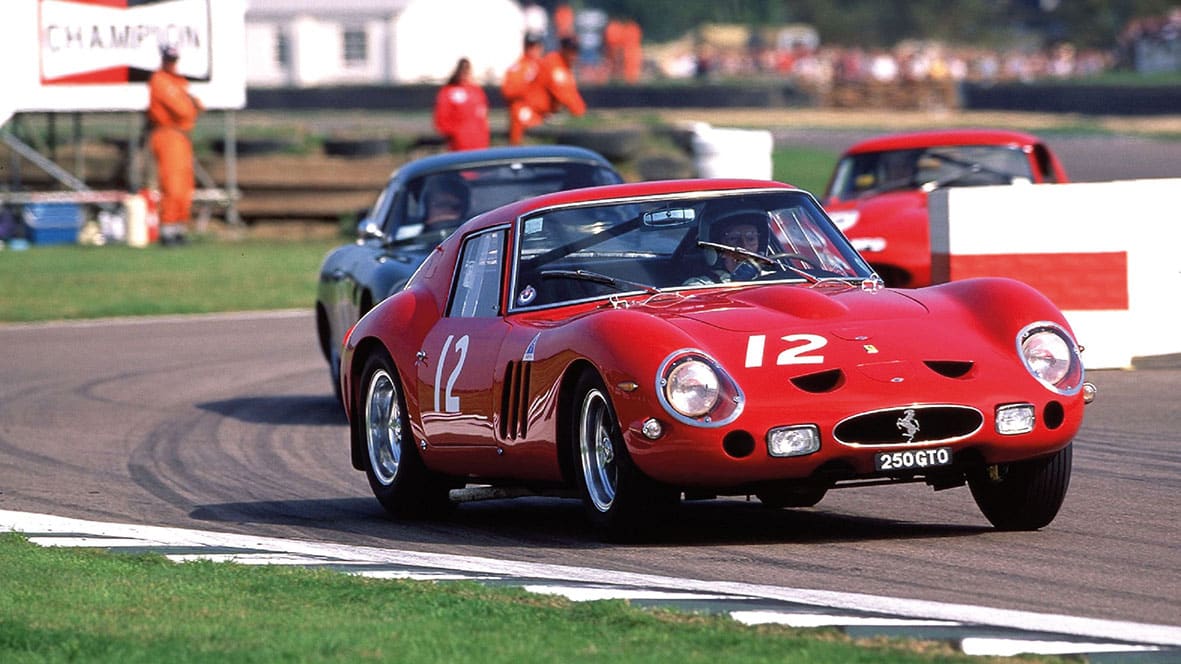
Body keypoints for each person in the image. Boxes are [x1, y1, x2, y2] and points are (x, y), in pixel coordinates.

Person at [147, 44, 203, 246]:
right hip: (167, 135)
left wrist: (192, 106)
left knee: (185, 185)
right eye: (169, 60)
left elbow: (195, 105)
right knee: (172, 185)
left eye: (174, 60)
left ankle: (178, 229)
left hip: (181, 137)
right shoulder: (160, 80)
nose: (171, 64)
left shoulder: (177, 81)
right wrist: (191, 106)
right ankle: (167, 231)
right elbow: (183, 110)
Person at [508, 36, 586, 145]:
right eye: (570, 50)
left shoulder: (564, 66)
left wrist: (580, 111)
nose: (573, 54)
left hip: (543, 114)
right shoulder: (554, 63)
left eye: (575, 50)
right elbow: (565, 95)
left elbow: (570, 92)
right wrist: (580, 113)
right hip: (530, 112)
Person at [684, 210, 770, 285]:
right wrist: (735, 285)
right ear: (718, 248)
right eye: (733, 238)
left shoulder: (774, 279)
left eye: (751, 239)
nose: (744, 246)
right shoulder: (701, 285)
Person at [433, 58, 490, 151]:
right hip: (459, 146)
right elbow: (441, 119)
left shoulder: (476, 91)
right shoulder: (449, 92)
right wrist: (457, 134)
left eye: (467, 69)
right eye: (463, 69)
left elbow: (483, 117)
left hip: (480, 144)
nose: (465, 73)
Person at [502, 34, 544, 145]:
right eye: (530, 46)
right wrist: (528, 83)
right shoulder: (517, 68)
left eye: (536, 46)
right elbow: (508, 91)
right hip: (523, 123)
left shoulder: (544, 66)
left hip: (543, 122)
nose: (533, 50)